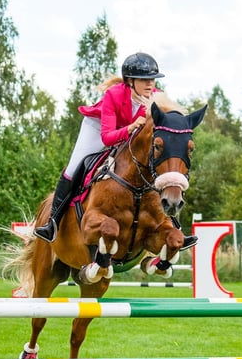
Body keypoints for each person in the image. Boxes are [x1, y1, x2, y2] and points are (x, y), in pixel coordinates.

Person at [33, 52, 198, 251]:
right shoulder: (114, 95)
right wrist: (129, 128)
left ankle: (172, 224)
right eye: (144, 80)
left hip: (126, 136)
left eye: (152, 79)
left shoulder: (156, 97)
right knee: (74, 167)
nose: (150, 84)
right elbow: (107, 138)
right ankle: (52, 222)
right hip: (98, 128)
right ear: (130, 81)